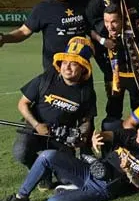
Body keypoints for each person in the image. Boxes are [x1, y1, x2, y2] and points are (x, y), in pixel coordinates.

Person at [2, 117, 139, 201]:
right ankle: (20, 197)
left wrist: (128, 170)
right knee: (48, 156)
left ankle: (74, 191)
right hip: (90, 171)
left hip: (103, 188)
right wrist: (96, 138)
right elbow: (106, 135)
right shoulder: (130, 135)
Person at [11, 37, 97, 182]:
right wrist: (37, 125)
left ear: (83, 68)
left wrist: (80, 136)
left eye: (74, 64)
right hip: (34, 128)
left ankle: (54, 168)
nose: (67, 67)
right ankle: (43, 175)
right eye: (64, 62)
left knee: (66, 180)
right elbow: (22, 103)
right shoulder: (46, 79)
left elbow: (86, 120)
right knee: (21, 152)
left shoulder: (86, 92)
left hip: (61, 137)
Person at [0, 0, 89, 70]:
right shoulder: (43, 8)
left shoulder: (84, 4)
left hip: (80, 69)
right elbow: (23, 32)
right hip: (54, 71)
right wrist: (4, 39)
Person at [99, 4, 139, 130]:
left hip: (137, 78)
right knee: (113, 112)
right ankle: (113, 143)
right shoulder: (103, 34)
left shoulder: (136, 32)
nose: (109, 26)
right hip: (116, 79)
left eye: (114, 22)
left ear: (123, 20)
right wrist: (101, 40)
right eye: (106, 21)